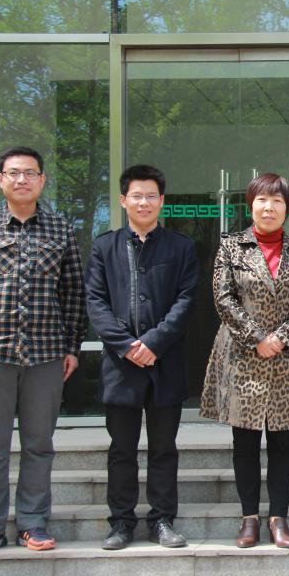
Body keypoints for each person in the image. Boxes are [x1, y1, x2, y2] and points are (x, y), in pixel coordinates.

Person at [0, 146, 87, 555]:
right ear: (1, 180)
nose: (22, 179)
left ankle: (32, 523)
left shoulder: (61, 230)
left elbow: (73, 294)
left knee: (38, 444)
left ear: (42, 180)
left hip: (46, 354)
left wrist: (73, 347)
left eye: (30, 173)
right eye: (14, 173)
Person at [200, 173, 289, 549]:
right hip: (243, 357)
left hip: (287, 358)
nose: (269, 208)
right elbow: (223, 298)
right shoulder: (231, 247)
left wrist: (281, 337)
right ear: (251, 205)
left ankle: (279, 518)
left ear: (287, 208)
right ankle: (249, 518)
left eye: (277, 201)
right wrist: (257, 338)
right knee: (246, 442)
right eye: (262, 200)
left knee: (283, 443)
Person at [85, 164, 198, 550]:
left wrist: (153, 343)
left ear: (161, 201)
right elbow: (96, 302)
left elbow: (186, 301)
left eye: (151, 196)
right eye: (137, 195)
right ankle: (121, 522)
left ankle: (162, 519)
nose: (144, 202)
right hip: (121, 366)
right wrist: (126, 345)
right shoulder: (104, 247)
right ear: (123, 200)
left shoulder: (180, 247)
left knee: (164, 448)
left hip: (165, 363)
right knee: (122, 449)